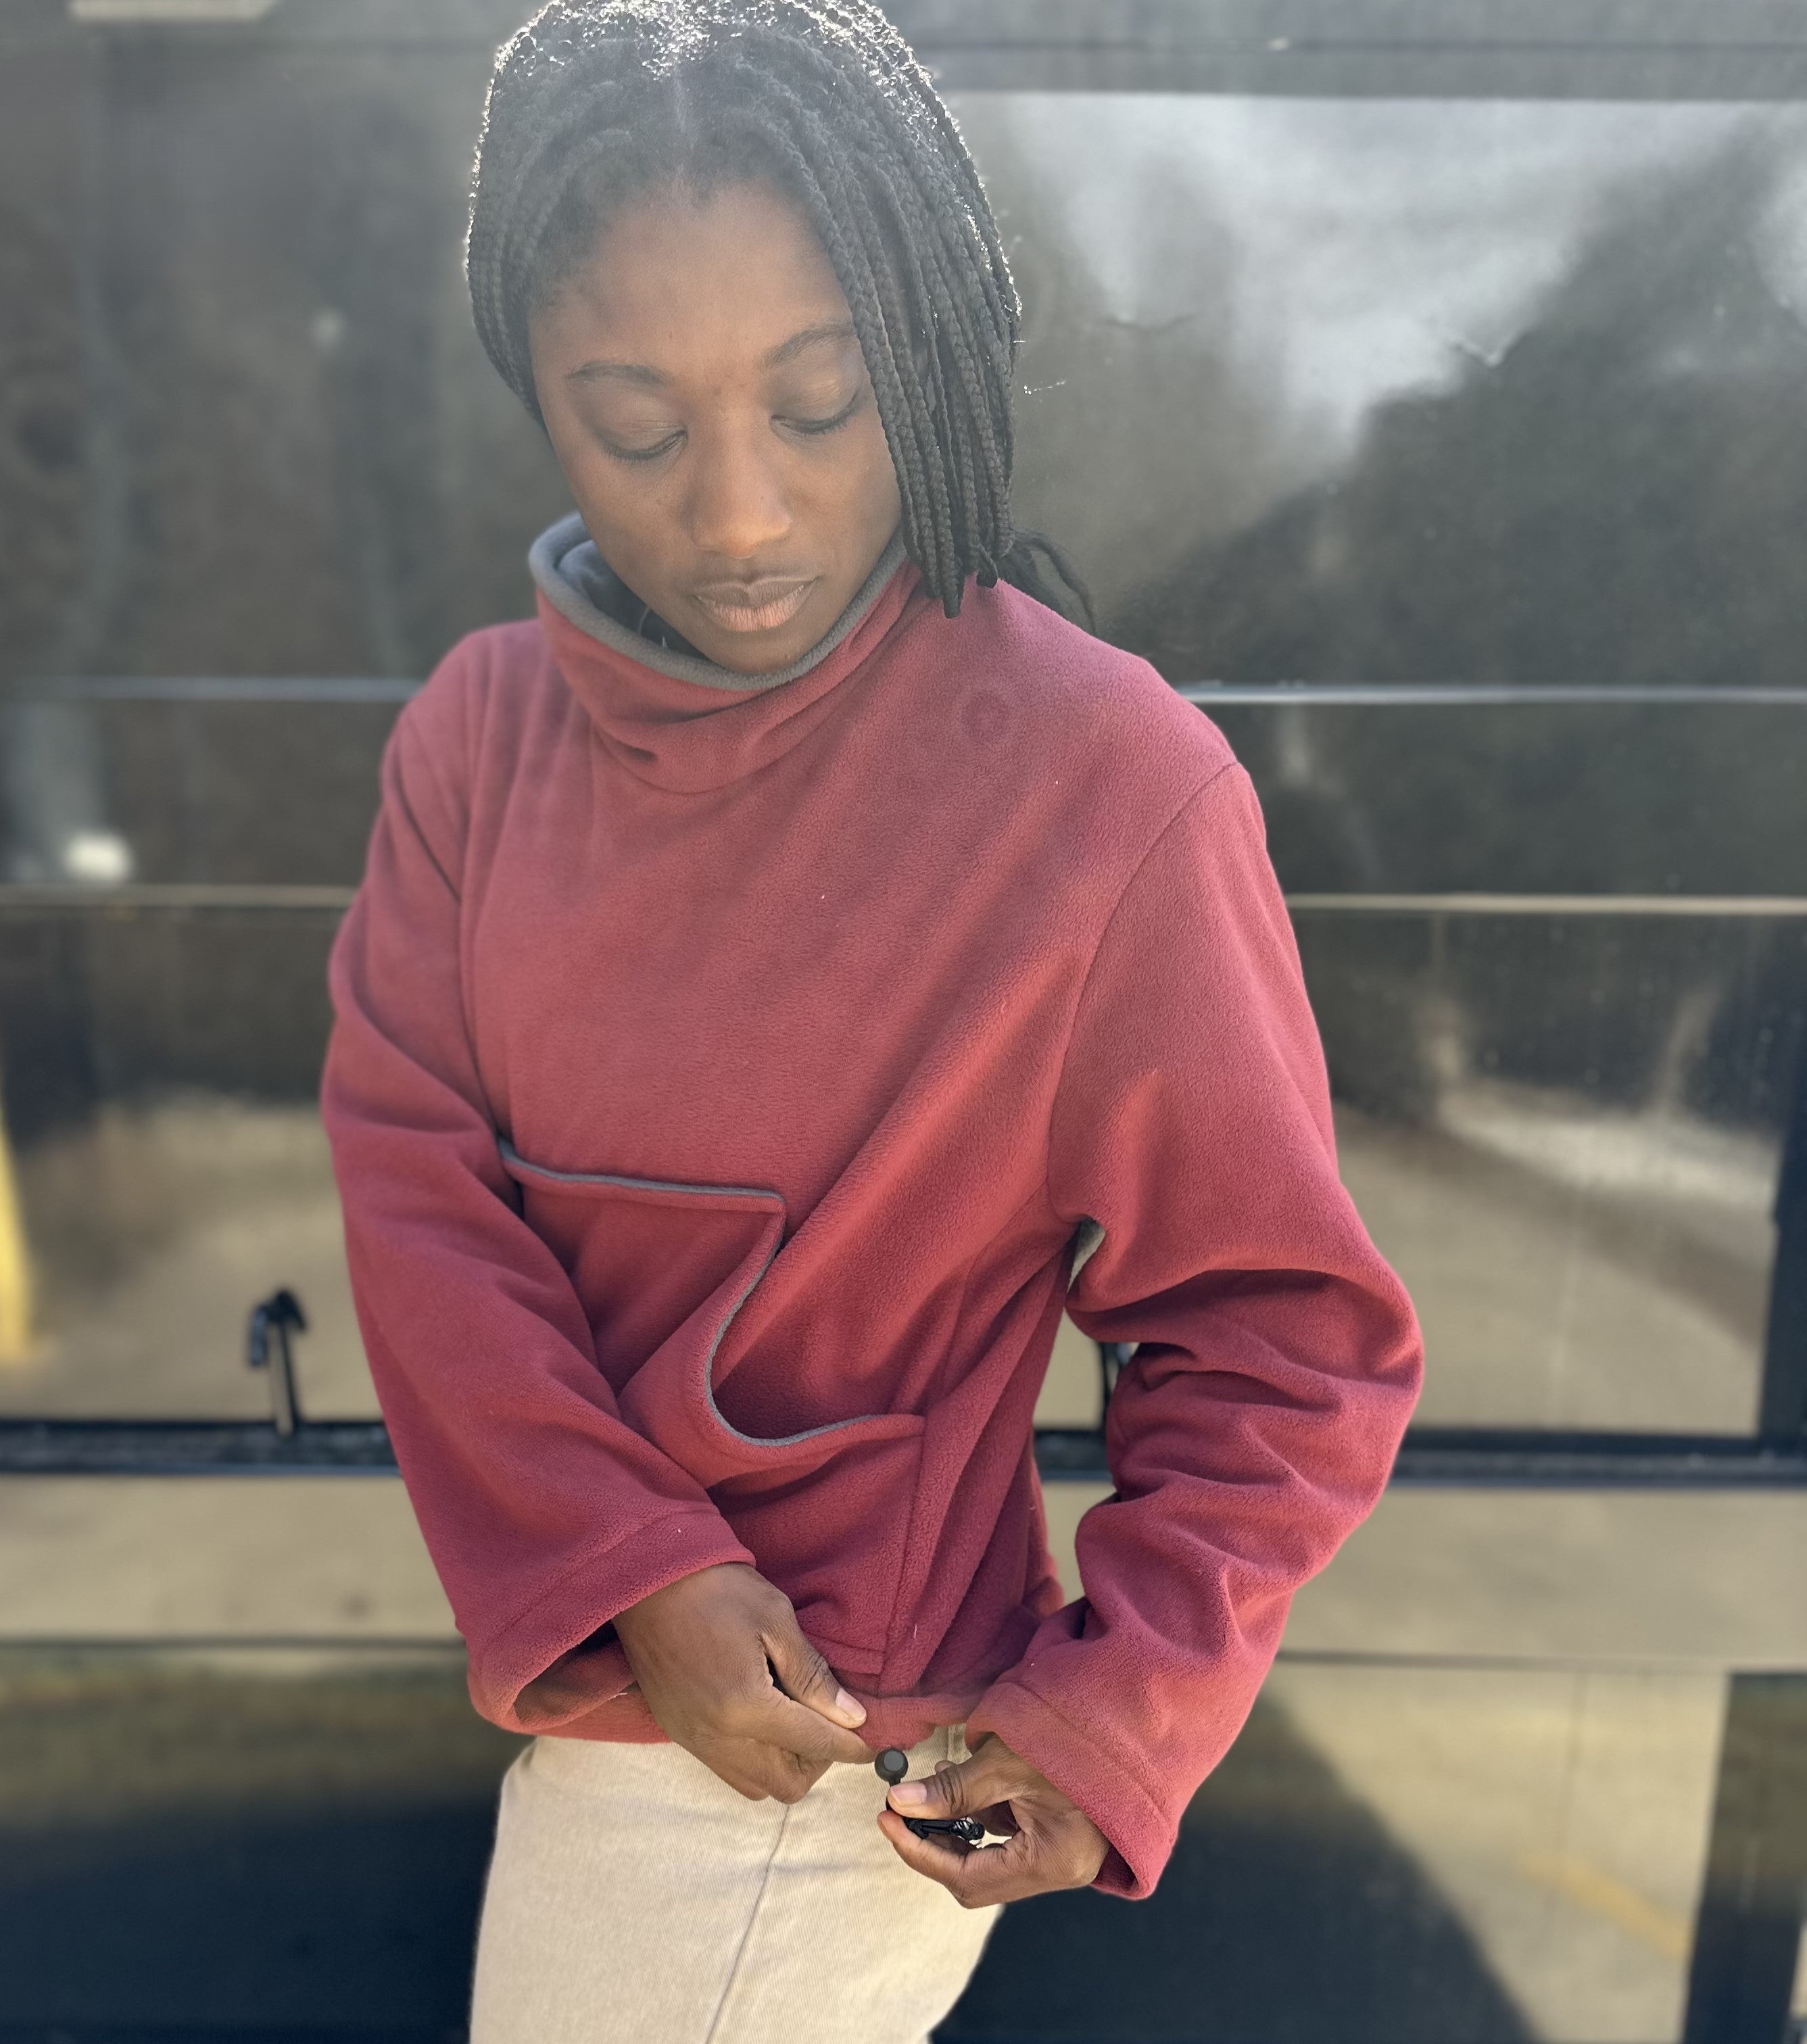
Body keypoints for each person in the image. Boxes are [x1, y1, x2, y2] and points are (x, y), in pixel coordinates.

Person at [318, 3, 1424, 2039]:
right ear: (534, 395)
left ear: (926, 347)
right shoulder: (477, 740)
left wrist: (1118, 1714)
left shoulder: (1109, 791)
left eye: (819, 405)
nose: (734, 513)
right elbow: (421, 1200)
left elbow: (1283, 1338)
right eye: (636, 427)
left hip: (802, 1793)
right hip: (607, 1698)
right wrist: (633, 1563)